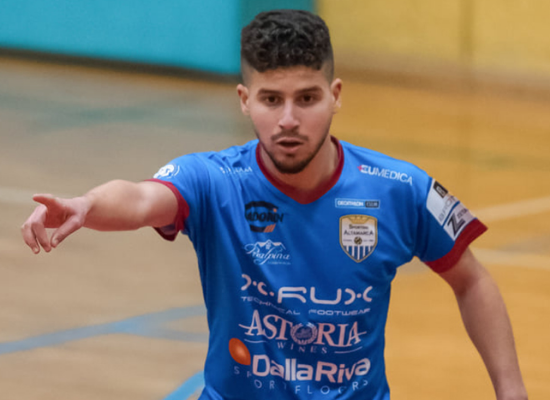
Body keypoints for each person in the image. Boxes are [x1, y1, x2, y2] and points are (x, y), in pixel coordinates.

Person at [21, 9, 527, 400]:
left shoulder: (400, 189)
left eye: (306, 98)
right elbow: (139, 198)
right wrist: (86, 204)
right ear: (245, 100)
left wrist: (511, 392)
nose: (288, 120)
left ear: (335, 95)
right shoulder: (214, 181)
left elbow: (472, 280)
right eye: (271, 100)